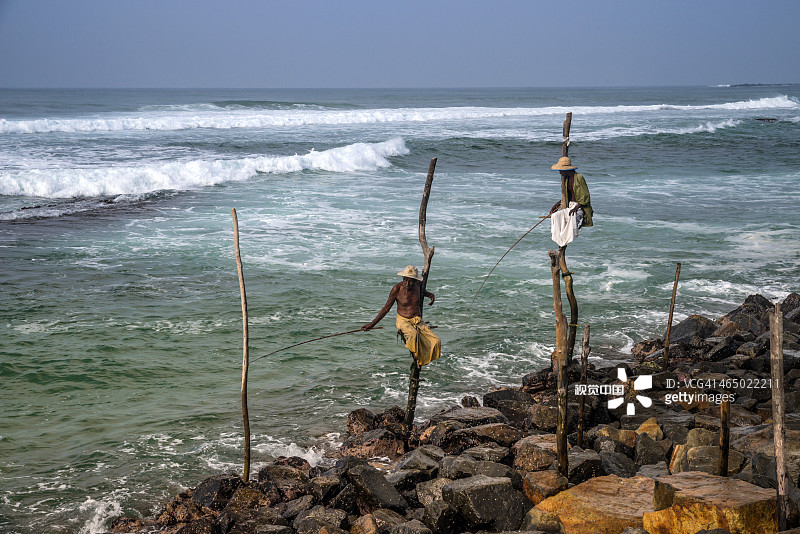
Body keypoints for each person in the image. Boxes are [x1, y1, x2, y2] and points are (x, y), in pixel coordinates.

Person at [361, 265, 441, 366]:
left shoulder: (419, 285)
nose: (407, 283)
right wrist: (371, 324)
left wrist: (431, 295)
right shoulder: (397, 289)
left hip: (417, 319)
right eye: (405, 280)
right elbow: (386, 308)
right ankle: (418, 360)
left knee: (436, 341)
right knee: (413, 335)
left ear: (416, 280)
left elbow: (422, 292)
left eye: (411, 281)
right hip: (403, 320)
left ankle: (423, 359)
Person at [548, 156, 593, 228]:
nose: (560, 172)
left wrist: (575, 209)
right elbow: (568, 195)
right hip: (570, 205)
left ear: (566, 170)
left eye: (561, 170)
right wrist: (557, 204)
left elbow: (585, 196)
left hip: (580, 207)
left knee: (572, 223)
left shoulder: (579, 177)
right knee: (556, 217)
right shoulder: (566, 180)